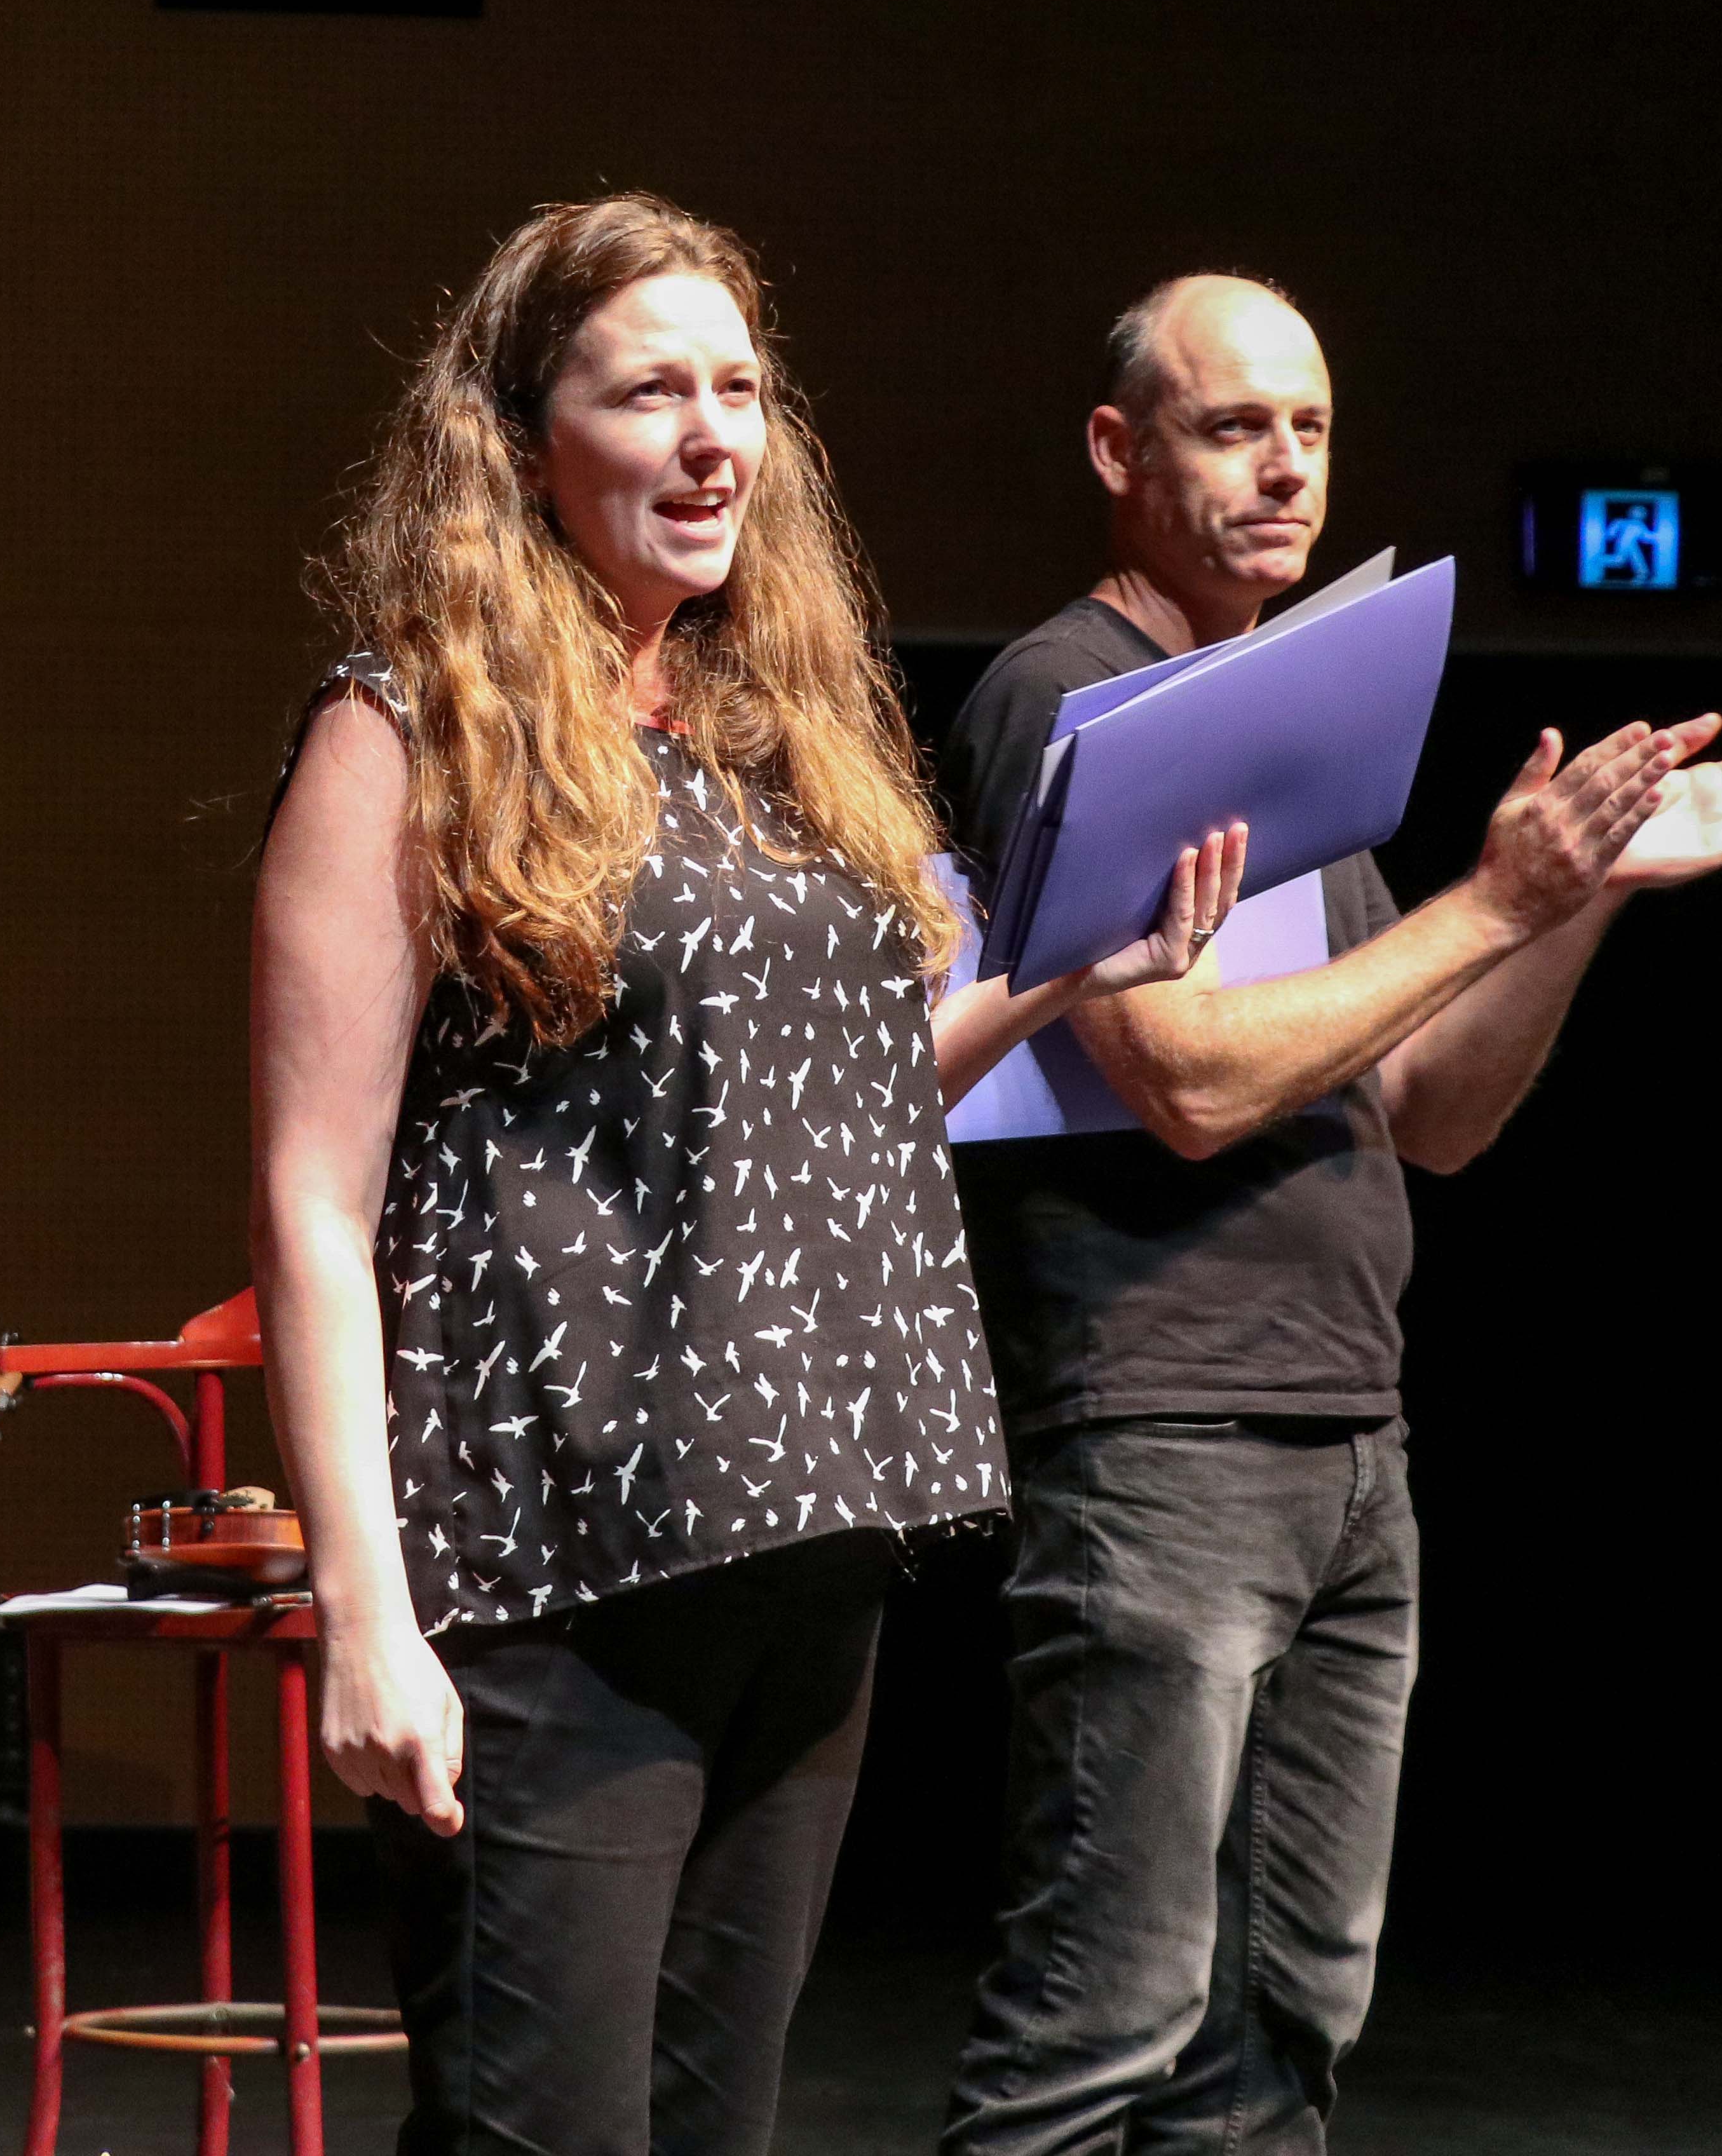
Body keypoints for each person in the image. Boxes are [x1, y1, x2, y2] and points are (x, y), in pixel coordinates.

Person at [250, 194, 1245, 2154]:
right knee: (545, 2129)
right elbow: (312, 1198)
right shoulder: (408, 734)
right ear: (522, 440)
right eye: (651, 395)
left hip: (807, 1527)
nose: (715, 438)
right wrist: (365, 1610)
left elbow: (835, 1105)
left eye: (741, 390)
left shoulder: (762, 735)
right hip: (558, 1560)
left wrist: (1072, 970)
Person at [932, 274, 1722, 2154]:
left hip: (1350, 1445)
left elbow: (1428, 1114)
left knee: (1280, 2037)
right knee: (1100, 2030)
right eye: (1233, 426)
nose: (1286, 469)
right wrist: (1492, 904)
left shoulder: (1283, 719)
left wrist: (1580, 898)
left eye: (1311, 429)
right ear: (1118, 449)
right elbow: (1186, 1084)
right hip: (1163, 1442)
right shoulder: (1068, 696)